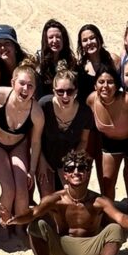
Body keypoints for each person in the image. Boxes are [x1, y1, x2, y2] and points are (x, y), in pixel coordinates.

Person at [0, 56, 43, 236]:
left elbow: (36, 142)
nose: (25, 89)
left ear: (35, 89)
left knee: (22, 189)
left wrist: (31, 170)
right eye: (22, 84)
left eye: (30, 86)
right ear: (13, 83)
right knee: (8, 188)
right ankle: (4, 225)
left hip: (18, 145)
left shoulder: (36, 112)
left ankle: (19, 227)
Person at [88, 68, 128, 221]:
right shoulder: (91, 100)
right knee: (107, 182)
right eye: (101, 82)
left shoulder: (127, 100)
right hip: (110, 142)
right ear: (95, 85)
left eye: (110, 82)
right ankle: (109, 220)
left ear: (117, 85)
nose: (105, 86)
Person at [37, 64, 94, 195]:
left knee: (71, 196)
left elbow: (84, 141)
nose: (65, 96)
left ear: (76, 91)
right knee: (48, 199)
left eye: (70, 91)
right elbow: (35, 138)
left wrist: (72, 164)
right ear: (53, 91)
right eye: (60, 91)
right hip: (46, 156)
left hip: (70, 159)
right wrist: (41, 161)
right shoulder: (44, 106)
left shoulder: (85, 112)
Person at [75, 23, 117, 103]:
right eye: (85, 40)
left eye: (92, 38)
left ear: (99, 39)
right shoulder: (80, 67)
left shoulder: (113, 60)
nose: (89, 42)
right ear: (81, 45)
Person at [37, 20, 77, 96]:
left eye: (58, 37)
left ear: (64, 39)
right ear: (46, 40)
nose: (55, 41)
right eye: (51, 37)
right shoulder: (39, 61)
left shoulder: (71, 62)